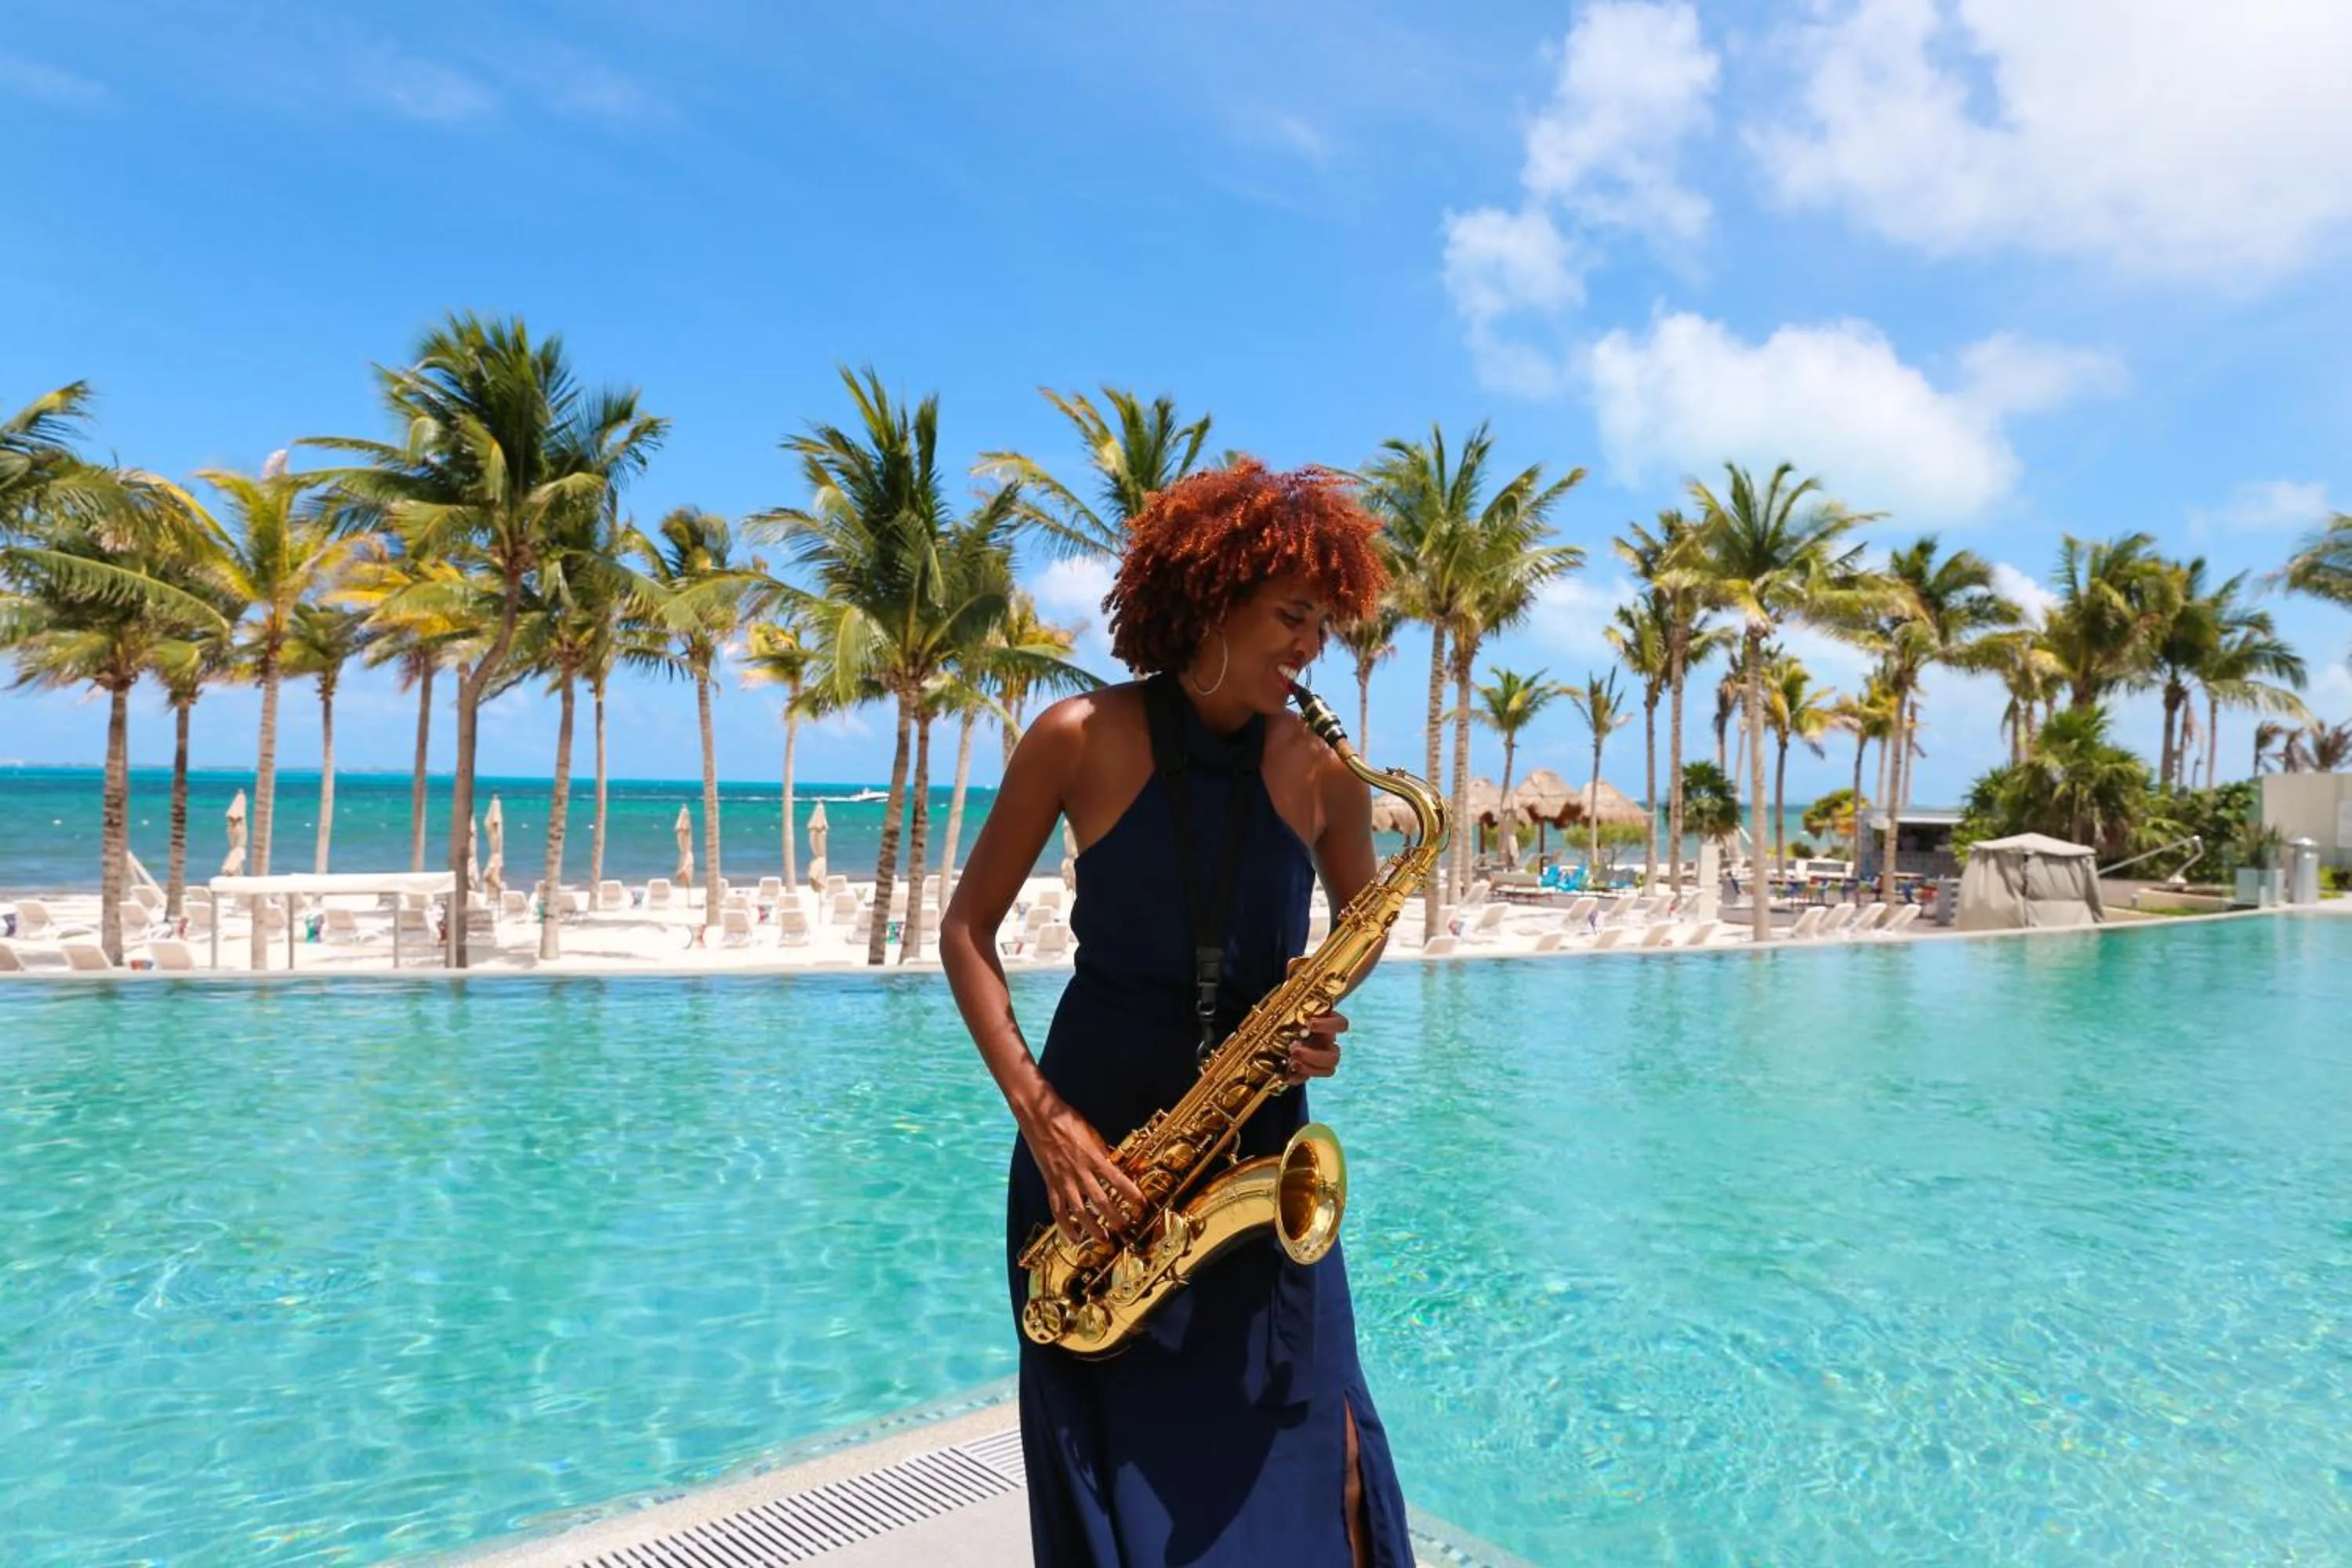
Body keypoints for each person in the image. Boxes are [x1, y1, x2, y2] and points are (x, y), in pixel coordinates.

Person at [940, 460, 1412, 1566]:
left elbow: (1366, 915)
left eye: (1322, 624)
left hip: (1257, 1141)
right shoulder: (1078, 734)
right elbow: (965, 934)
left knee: (1325, 1458)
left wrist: (1322, 995)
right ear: (1212, 596)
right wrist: (1043, 1120)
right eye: (1292, 615)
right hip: (1093, 1156)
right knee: (1121, 1482)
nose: (1309, 646)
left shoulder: (1323, 769)